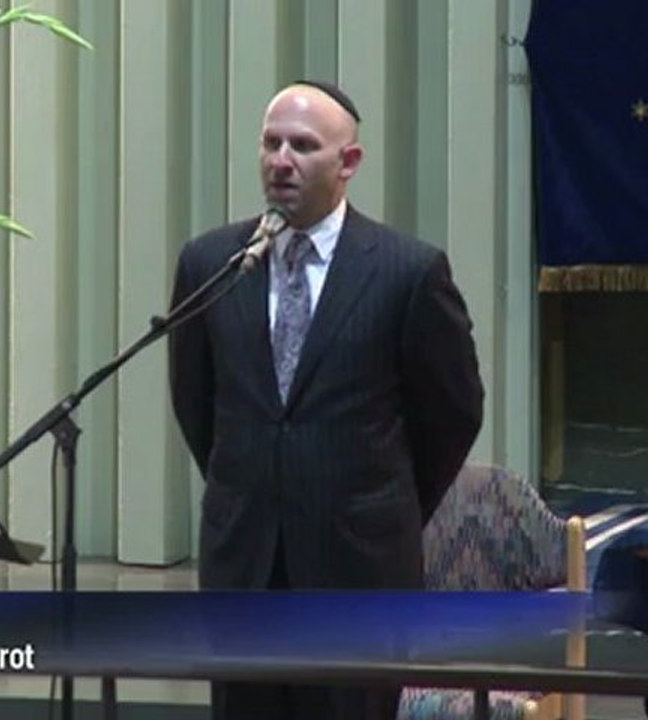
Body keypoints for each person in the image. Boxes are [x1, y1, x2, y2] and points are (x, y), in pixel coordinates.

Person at [168, 81, 484, 720]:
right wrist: (260, 483)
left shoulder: (407, 271)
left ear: (349, 163)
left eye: (303, 146)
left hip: (359, 568)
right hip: (244, 563)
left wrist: (381, 501)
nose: (281, 160)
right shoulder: (212, 263)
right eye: (271, 143)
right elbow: (195, 402)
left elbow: (452, 413)